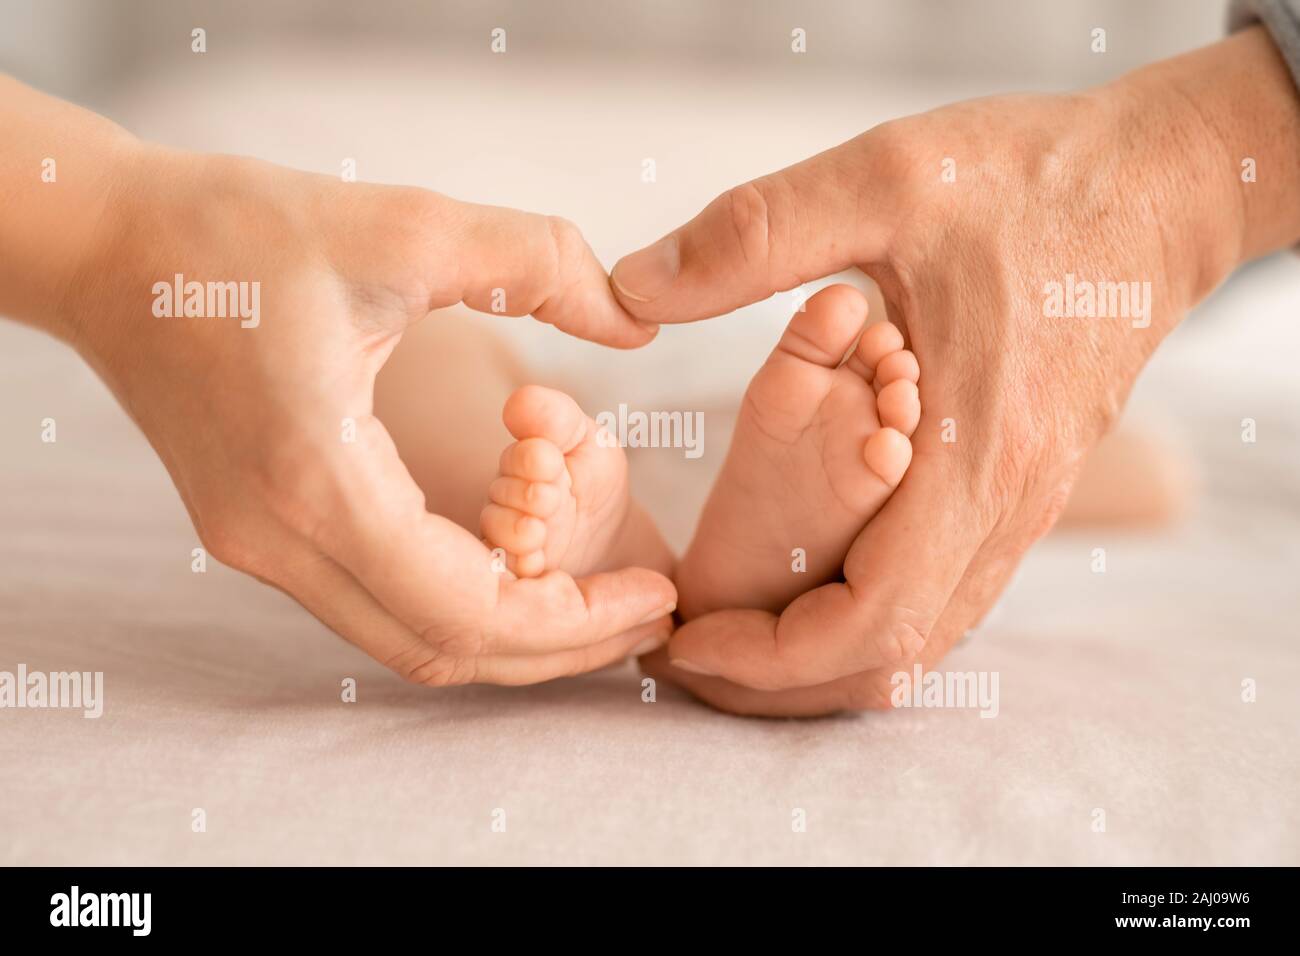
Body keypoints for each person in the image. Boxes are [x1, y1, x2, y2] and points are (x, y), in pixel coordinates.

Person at [619, 15, 1300, 714]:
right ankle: (763, 541)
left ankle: (753, 539)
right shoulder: (852, 349)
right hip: (674, 410)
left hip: (634, 404)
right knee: (1145, 469)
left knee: (535, 415)